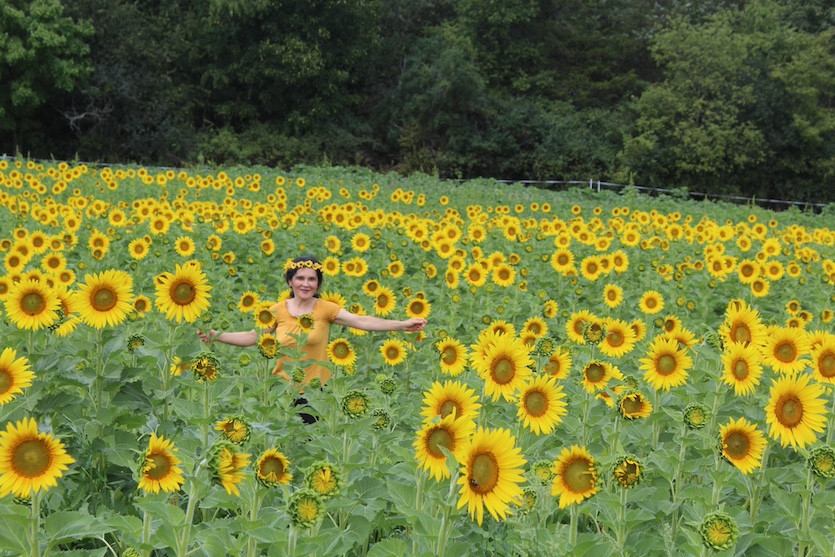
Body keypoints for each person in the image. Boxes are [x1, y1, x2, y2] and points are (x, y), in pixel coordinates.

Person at [198, 255, 427, 394]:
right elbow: (253, 337)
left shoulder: (325, 309)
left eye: (311, 279)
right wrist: (216, 335)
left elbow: (362, 321)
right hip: (281, 390)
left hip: (316, 393)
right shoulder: (277, 310)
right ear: (290, 281)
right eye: (300, 278)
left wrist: (401, 324)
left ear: (318, 283)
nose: (305, 284)